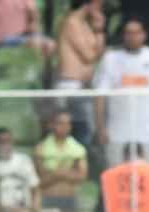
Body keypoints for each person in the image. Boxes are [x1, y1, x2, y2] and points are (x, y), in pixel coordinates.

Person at [93, 18, 149, 170]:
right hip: (118, 133)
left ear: (144, 35)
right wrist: (100, 127)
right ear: (122, 35)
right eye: (128, 33)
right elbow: (99, 96)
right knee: (117, 178)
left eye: (137, 32)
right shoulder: (110, 59)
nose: (132, 36)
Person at [34, 110, 89, 212]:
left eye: (68, 123)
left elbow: (81, 177)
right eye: (60, 123)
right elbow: (41, 179)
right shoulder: (41, 148)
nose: (65, 127)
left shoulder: (77, 148)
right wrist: (66, 172)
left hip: (69, 199)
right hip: (48, 198)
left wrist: (56, 173)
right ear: (51, 125)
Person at [55, 0, 106, 146]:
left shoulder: (85, 24)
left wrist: (99, 29)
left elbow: (99, 53)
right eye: (98, 4)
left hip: (83, 86)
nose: (100, 8)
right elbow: (89, 55)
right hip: (70, 86)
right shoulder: (71, 23)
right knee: (78, 132)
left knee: (86, 132)